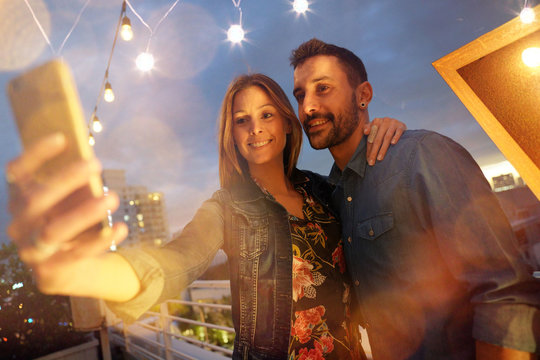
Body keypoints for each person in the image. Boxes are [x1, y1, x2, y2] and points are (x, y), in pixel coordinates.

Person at [6, 73, 406, 359]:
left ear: (287, 121)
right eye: (241, 120)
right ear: (231, 134)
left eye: (266, 114)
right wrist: (83, 272)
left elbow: (375, 212)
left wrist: (379, 128)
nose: (255, 128)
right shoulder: (225, 208)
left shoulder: (325, 190)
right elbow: (173, 261)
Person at [289, 38, 540, 360]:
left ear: (363, 95)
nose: (308, 107)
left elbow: (503, 293)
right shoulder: (333, 195)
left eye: (322, 88)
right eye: (300, 95)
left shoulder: (422, 156)